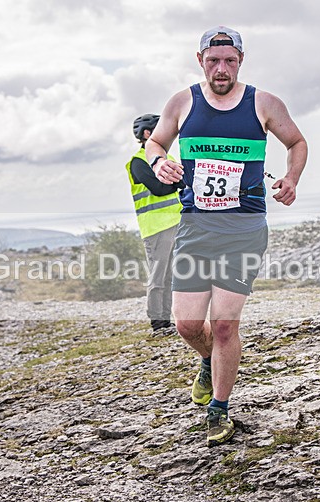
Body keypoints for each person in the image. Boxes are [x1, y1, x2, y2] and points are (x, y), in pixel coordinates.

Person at [145, 26, 308, 446]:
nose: (222, 69)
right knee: (185, 324)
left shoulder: (264, 103)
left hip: (244, 228)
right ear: (200, 60)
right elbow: (156, 143)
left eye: (230, 61)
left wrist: (291, 177)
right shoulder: (183, 102)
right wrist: (160, 161)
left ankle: (219, 409)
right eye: (213, 61)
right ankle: (206, 361)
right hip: (196, 227)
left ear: (240, 61)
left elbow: (296, 141)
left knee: (222, 326)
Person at [126, 114, 182, 335]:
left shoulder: (169, 159)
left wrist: (176, 182)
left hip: (176, 222)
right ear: (147, 134)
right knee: (159, 275)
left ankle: (167, 321)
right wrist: (178, 183)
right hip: (156, 227)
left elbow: (175, 184)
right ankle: (158, 323)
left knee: (171, 276)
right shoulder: (139, 161)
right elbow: (160, 189)